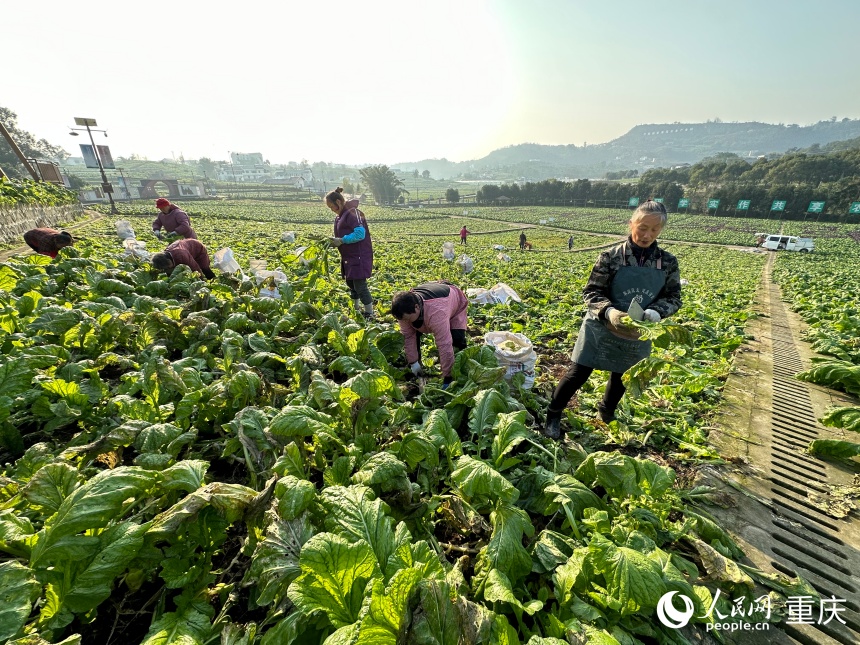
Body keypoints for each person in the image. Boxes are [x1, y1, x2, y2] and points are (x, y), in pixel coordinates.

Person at [542, 200, 682, 439]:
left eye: (654, 230)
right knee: (578, 372)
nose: (647, 235)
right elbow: (591, 292)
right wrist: (609, 311)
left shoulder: (667, 262)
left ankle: (606, 412)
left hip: (636, 331)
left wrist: (657, 311)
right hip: (601, 326)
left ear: (661, 230)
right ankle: (553, 415)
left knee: (621, 376)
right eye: (642, 227)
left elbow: (674, 296)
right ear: (632, 224)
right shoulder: (611, 256)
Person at [390, 281, 469, 389]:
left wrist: (448, 377)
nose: (406, 322)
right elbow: (408, 337)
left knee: (457, 339)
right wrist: (413, 363)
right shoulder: (404, 311)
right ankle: (418, 364)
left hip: (452, 301)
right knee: (413, 332)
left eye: (407, 319)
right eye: (403, 320)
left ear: (417, 307)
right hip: (432, 292)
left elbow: (444, 344)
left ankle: (461, 368)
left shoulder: (436, 312)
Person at [324, 187, 375, 319]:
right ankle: (356, 309)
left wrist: (341, 240)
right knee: (351, 284)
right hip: (348, 256)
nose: (332, 210)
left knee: (360, 285)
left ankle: (370, 313)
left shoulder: (352, 213)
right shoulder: (340, 216)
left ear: (338, 202)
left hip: (358, 255)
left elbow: (360, 234)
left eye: (332, 206)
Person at [151, 238, 215, 279]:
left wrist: (201, 282)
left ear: (168, 260)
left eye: (168, 267)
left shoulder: (182, 255)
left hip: (197, 248)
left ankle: (212, 280)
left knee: (204, 267)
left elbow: (195, 268)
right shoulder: (166, 255)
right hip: (187, 248)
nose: (168, 268)